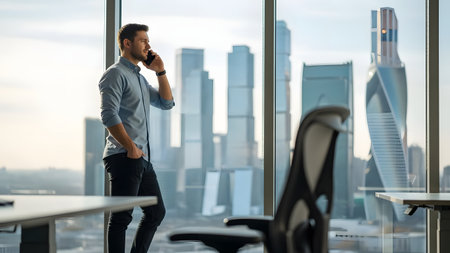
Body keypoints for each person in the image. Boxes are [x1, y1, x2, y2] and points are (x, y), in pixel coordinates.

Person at [98, 23, 174, 253]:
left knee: (156, 212)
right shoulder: (115, 74)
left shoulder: (140, 79)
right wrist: (130, 147)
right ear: (127, 43)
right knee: (121, 218)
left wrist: (160, 71)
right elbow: (108, 114)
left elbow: (166, 103)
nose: (148, 46)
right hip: (124, 155)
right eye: (143, 41)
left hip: (141, 158)